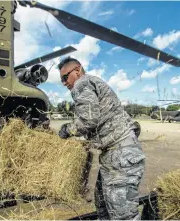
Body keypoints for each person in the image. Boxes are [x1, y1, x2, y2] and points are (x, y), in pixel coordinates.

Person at [57, 57, 146, 220]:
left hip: (121, 154)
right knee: (103, 205)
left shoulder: (82, 83)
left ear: (77, 71)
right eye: (61, 79)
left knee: (123, 215)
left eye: (65, 77)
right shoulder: (92, 82)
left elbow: (87, 120)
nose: (63, 83)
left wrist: (66, 130)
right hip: (114, 154)